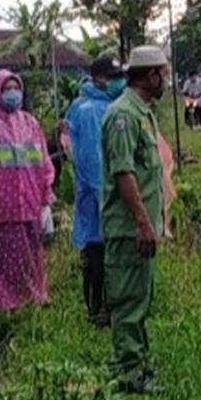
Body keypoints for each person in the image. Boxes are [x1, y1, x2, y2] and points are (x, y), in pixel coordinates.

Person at [101, 45, 167, 394]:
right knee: (128, 302)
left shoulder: (142, 113)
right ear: (151, 76)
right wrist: (142, 222)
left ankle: (138, 363)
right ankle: (129, 374)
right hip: (129, 229)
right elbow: (124, 173)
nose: (166, 80)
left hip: (141, 228)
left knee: (140, 298)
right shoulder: (123, 116)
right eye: (163, 73)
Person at [0, 70, 56, 310]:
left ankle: (28, 297)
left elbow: (43, 161)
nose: (13, 94)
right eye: (7, 89)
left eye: (16, 88)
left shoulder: (30, 123)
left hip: (28, 201)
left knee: (27, 255)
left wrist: (46, 197)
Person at [65, 56, 127, 325]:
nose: (119, 82)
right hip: (99, 196)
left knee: (104, 251)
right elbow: (92, 159)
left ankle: (106, 305)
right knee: (98, 253)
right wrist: (106, 197)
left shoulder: (105, 105)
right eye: (113, 77)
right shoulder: (90, 110)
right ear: (99, 79)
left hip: (105, 193)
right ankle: (99, 309)